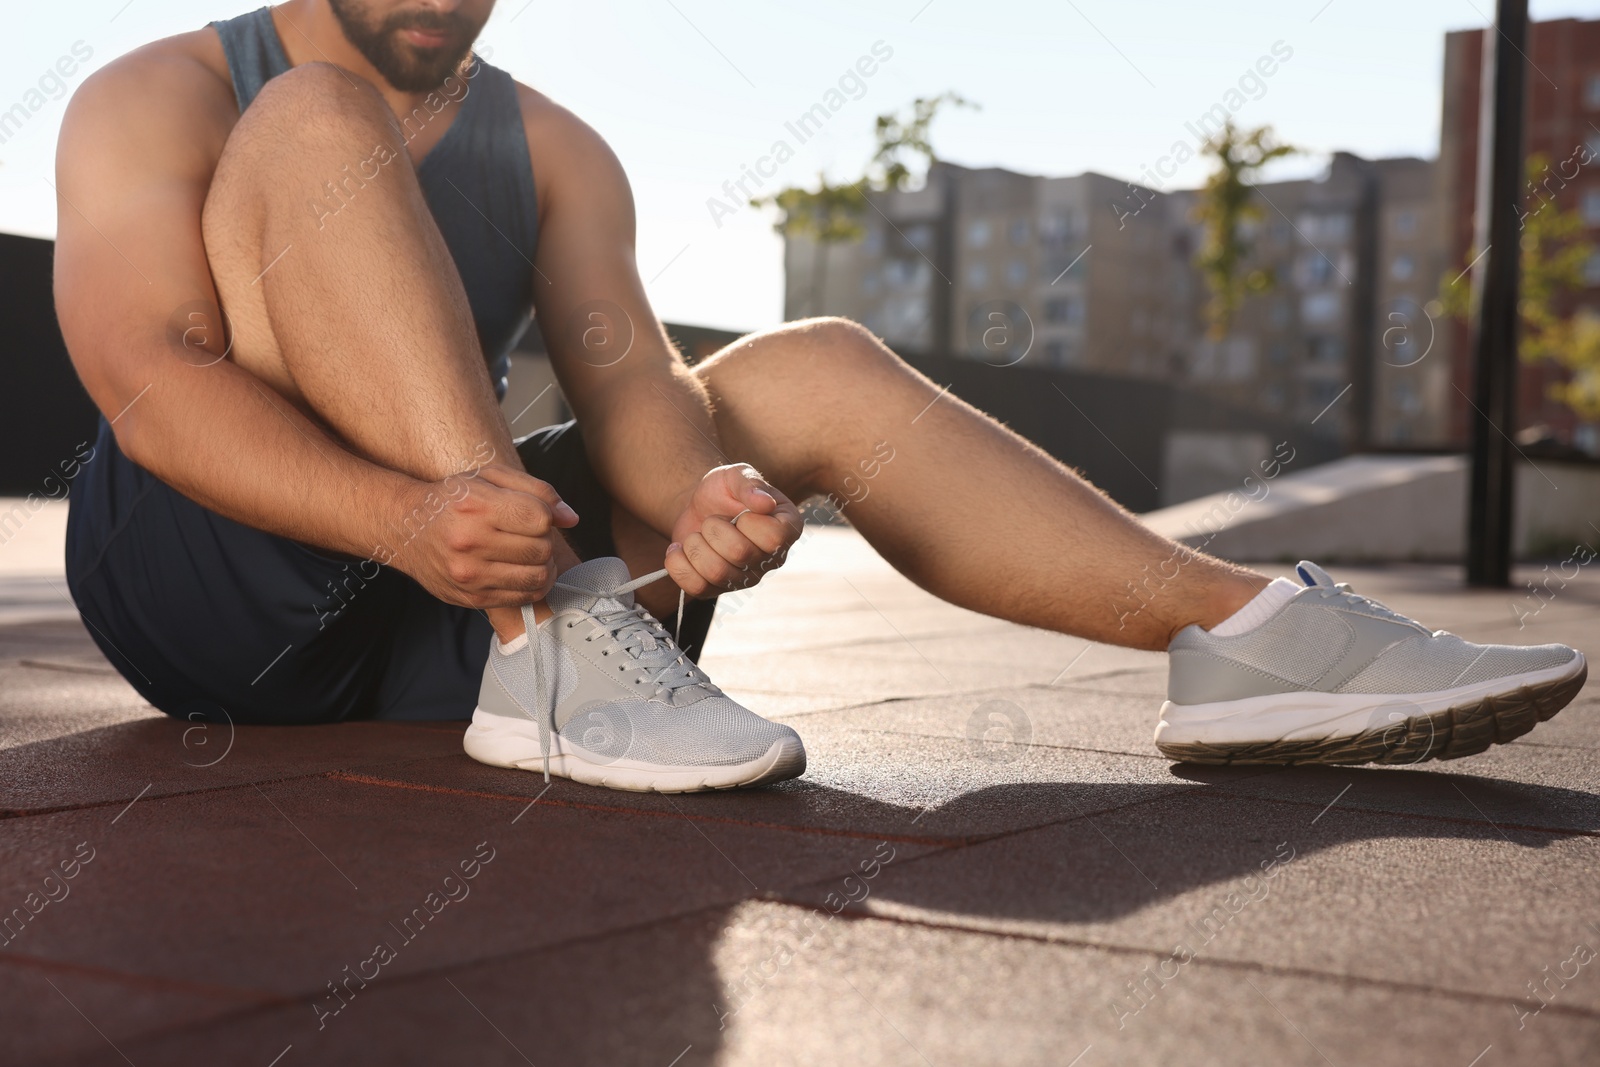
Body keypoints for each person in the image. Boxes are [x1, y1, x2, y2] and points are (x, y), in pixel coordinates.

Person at [55, 0, 1586, 793]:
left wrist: (691, 496)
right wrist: (418, 512)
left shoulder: (557, 147)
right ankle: (552, 653)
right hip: (211, 571)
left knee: (812, 364)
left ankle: (1249, 637)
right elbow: (150, 381)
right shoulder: (172, 88)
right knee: (319, 120)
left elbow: (635, 373)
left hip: (452, 595)